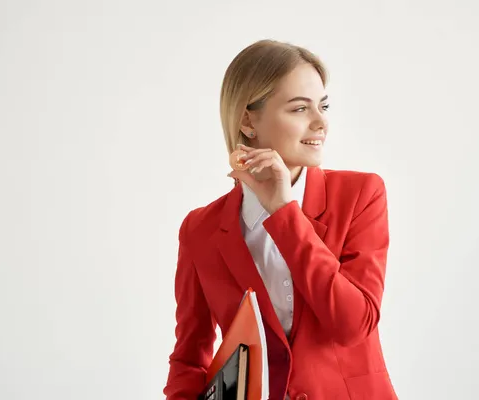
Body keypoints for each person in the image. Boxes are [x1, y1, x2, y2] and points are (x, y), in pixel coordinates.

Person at [163, 39, 398, 400]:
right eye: (300, 108)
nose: (321, 122)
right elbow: (189, 359)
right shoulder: (201, 229)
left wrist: (284, 214)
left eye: (324, 106)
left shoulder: (361, 195)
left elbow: (353, 324)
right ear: (247, 119)